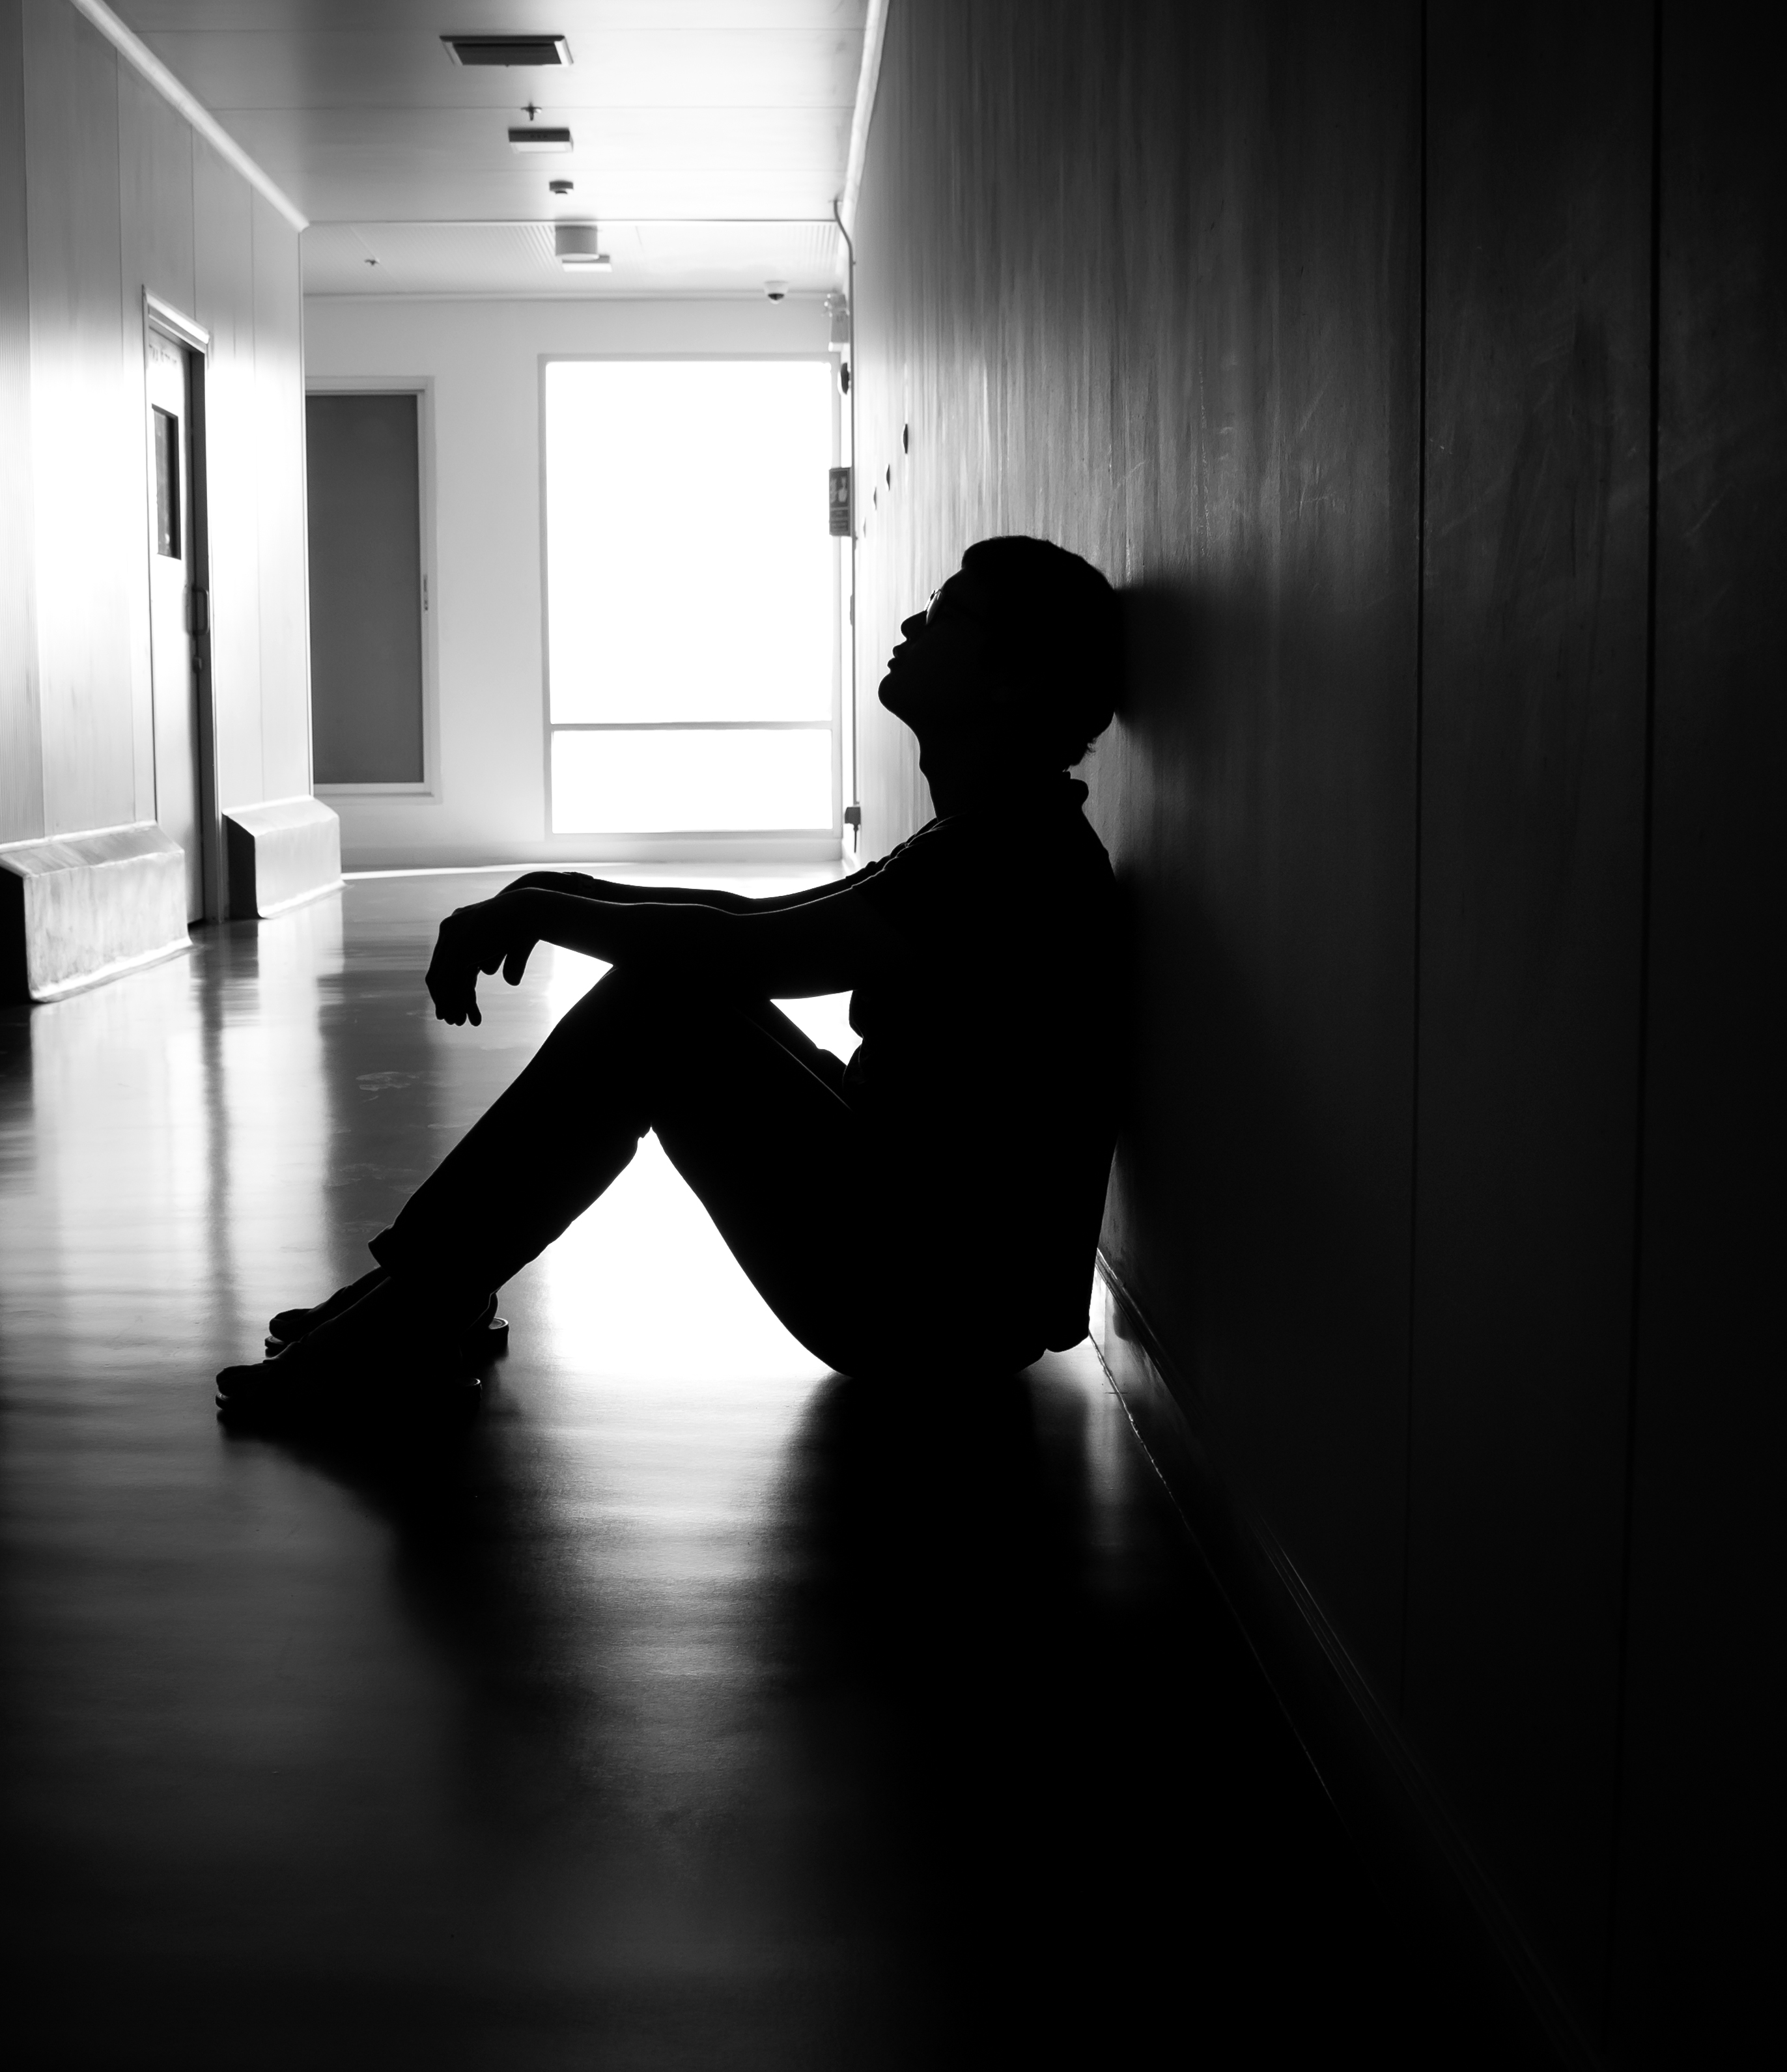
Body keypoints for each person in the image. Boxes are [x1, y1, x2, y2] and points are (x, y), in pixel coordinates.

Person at [217, 535, 1129, 1418]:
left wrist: (546, 912)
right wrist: (556, 891)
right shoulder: (999, 832)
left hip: (935, 1310)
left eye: (946, 613)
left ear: (1013, 681)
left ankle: (419, 1305)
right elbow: (748, 921)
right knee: (675, 988)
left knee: (659, 1010)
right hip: (932, 1262)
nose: (909, 625)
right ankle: (428, 1291)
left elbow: (747, 952)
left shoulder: (1009, 855)